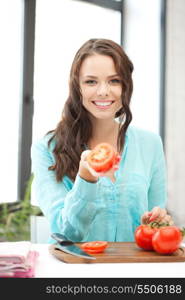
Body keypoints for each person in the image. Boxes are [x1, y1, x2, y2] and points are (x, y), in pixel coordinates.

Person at [31, 38, 173, 243]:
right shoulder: (46, 149)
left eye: (114, 80)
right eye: (91, 81)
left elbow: (153, 224)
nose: (103, 91)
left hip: (136, 270)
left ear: (126, 86)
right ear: (76, 87)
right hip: (75, 272)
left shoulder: (150, 144)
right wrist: (87, 179)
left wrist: (157, 222)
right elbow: (66, 235)